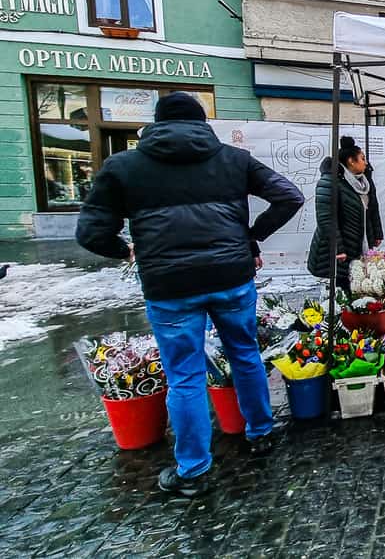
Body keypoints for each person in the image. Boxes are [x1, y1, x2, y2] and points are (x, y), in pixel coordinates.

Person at [76, 92, 303, 498]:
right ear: (202, 123)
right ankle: (261, 433)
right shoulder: (233, 159)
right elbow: (289, 196)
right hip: (231, 276)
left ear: (157, 124)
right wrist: (251, 237)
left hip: (170, 286)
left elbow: (91, 232)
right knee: (246, 354)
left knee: (185, 375)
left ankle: (194, 468)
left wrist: (125, 249)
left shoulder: (124, 166)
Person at [307, 136, 384, 292]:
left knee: (360, 284)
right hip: (339, 246)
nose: (366, 162)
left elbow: (373, 208)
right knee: (342, 286)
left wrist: (377, 233)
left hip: (360, 242)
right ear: (351, 161)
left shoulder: (366, 181)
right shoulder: (330, 182)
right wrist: (338, 248)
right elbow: (326, 220)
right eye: (362, 158)